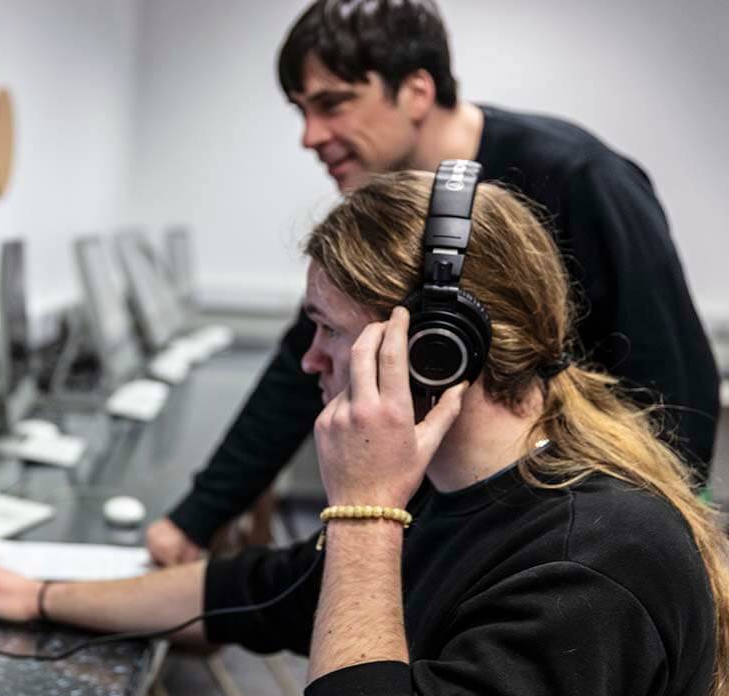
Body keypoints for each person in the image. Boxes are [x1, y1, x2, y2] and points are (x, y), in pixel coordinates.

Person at [0, 172, 729, 696]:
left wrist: (365, 511)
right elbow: (265, 589)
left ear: (431, 352)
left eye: (326, 328)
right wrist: (39, 598)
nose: (308, 360)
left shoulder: (595, 560)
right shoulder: (454, 489)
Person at [146, 0, 719, 567]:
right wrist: (196, 519)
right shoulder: (395, 207)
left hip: (576, 537)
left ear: (416, 91)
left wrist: (654, 555)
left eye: (333, 104)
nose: (310, 136)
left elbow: (674, 378)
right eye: (301, 111)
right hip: (458, 520)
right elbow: (301, 366)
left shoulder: (579, 176)